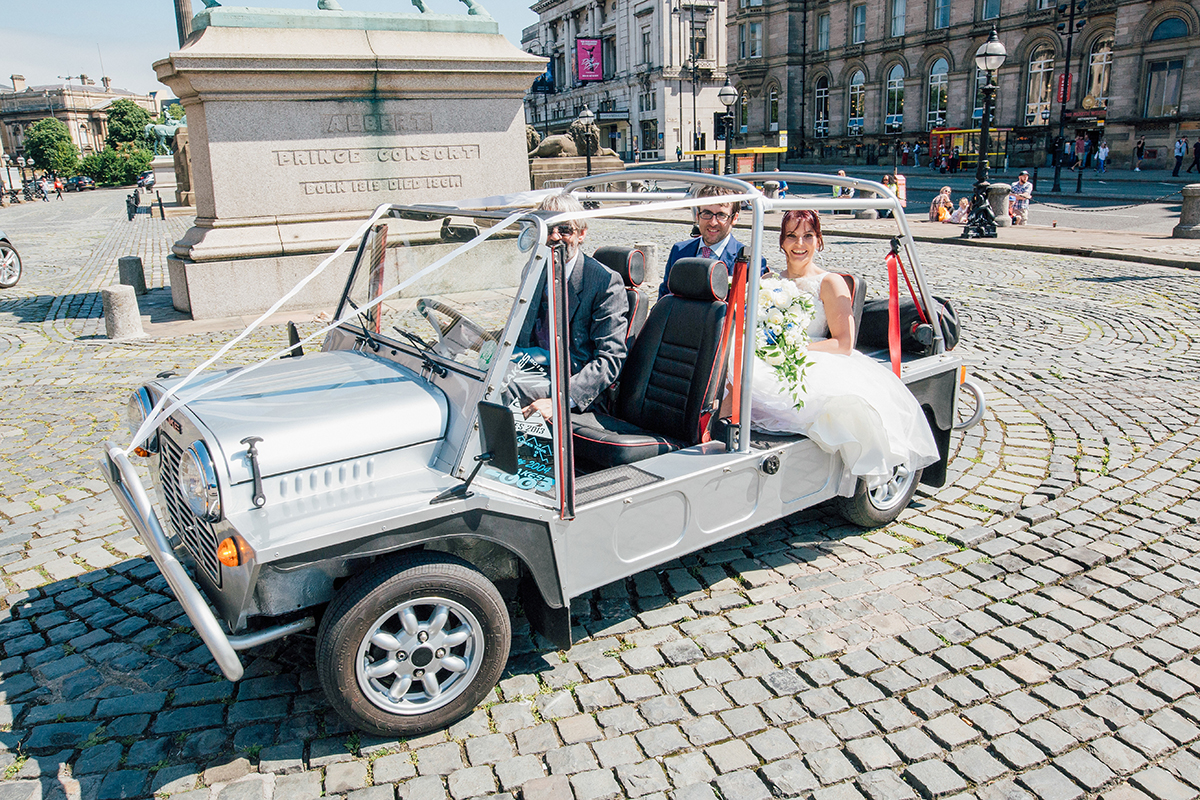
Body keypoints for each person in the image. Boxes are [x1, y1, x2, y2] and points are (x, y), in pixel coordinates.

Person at [741, 210, 939, 487]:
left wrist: (794, 351)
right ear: (782, 242)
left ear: (819, 240)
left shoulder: (830, 282)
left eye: (808, 236)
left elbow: (844, 343)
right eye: (792, 236)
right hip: (773, 352)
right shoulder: (770, 280)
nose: (800, 244)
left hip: (814, 356)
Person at [516, 193, 628, 424]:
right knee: (481, 377)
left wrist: (560, 399)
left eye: (565, 229)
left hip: (572, 380)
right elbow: (519, 331)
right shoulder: (534, 269)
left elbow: (610, 358)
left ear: (582, 234)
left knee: (505, 388)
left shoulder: (605, 282)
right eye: (548, 229)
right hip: (533, 365)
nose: (555, 237)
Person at [658, 185, 766, 299]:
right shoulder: (679, 250)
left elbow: (747, 310)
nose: (713, 222)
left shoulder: (752, 261)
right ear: (697, 215)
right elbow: (665, 296)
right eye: (707, 213)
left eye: (721, 215)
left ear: (734, 218)